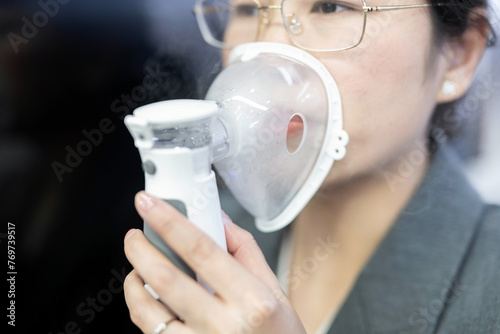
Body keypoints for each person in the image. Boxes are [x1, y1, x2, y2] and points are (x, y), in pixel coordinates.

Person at [122, 1, 500, 333]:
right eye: (249, 10)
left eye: (330, 6)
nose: (267, 51)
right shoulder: (205, 232)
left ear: (459, 54)